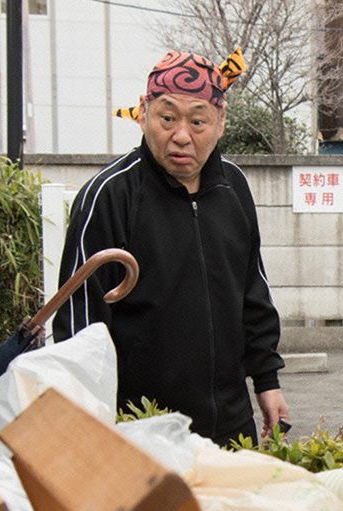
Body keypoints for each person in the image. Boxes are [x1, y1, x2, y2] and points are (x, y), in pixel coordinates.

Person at [53, 51, 288, 447]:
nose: (182, 135)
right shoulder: (110, 195)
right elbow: (78, 325)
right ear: (144, 113)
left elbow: (252, 292)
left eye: (197, 120)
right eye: (167, 118)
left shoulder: (234, 187)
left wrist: (267, 381)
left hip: (230, 426)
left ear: (220, 121)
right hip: (142, 429)